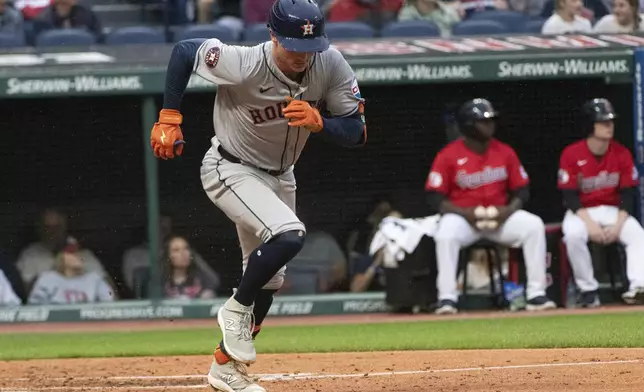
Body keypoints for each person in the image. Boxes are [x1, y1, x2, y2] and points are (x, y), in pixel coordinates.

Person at [149, 0, 367, 389]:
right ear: (272, 36)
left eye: (310, 47)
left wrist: (323, 123)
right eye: (292, 46)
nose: (302, 55)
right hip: (230, 166)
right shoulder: (244, 61)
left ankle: (225, 369)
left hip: (281, 176)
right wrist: (170, 116)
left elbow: (357, 131)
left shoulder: (330, 63)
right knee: (290, 234)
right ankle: (235, 309)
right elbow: (185, 52)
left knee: (269, 279)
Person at [426, 98, 556, 315]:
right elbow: (434, 197)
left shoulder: (504, 152)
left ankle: (536, 294)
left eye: (491, 120)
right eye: (483, 121)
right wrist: (464, 213)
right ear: (468, 125)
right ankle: (447, 298)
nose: (490, 125)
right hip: (465, 219)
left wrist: (508, 210)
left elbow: (522, 190)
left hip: (499, 218)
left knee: (534, 225)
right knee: (446, 233)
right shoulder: (448, 155)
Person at [558, 98, 644, 308]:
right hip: (582, 211)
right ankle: (587, 290)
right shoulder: (571, 154)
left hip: (613, 210)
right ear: (590, 125)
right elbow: (569, 196)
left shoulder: (621, 153)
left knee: (637, 233)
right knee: (573, 235)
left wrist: (617, 226)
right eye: (603, 122)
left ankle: (639, 287)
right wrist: (590, 225)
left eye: (610, 122)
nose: (609, 126)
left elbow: (628, 194)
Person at [27, 240, 115, 305]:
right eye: (73, 254)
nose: (78, 256)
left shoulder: (94, 279)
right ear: (62, 258)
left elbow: (109, 301)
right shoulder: (47, 278)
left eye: (78, 253)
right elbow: (35, 306)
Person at [162, 235, 219, 299]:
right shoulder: (162, 282)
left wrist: (195, 258)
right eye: (176, 250)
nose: (183, 253)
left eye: (186, 248)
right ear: (168, 255)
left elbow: (214, 281)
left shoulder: (201, 278)